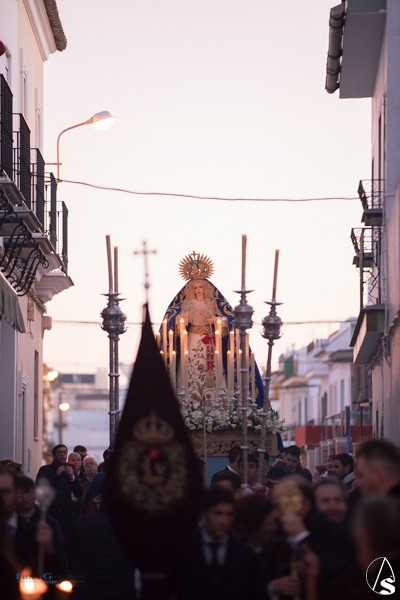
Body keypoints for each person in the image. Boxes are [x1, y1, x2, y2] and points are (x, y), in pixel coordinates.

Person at [174, 486, 263, 600]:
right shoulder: (185, 547)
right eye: (217, 513)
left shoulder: (244, 549)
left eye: (229, 514)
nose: (224, 521)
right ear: (204, 513)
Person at [36, 444, 83, 541]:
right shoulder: (45, 470)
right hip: (51, 514)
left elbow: (79, 492)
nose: (62, 455)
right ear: (54, 455)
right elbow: (40, 489)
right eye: (60, 453)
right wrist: (56, 475)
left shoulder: (70, 470)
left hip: (68, 516)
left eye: (65, 453)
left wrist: (72, 477)